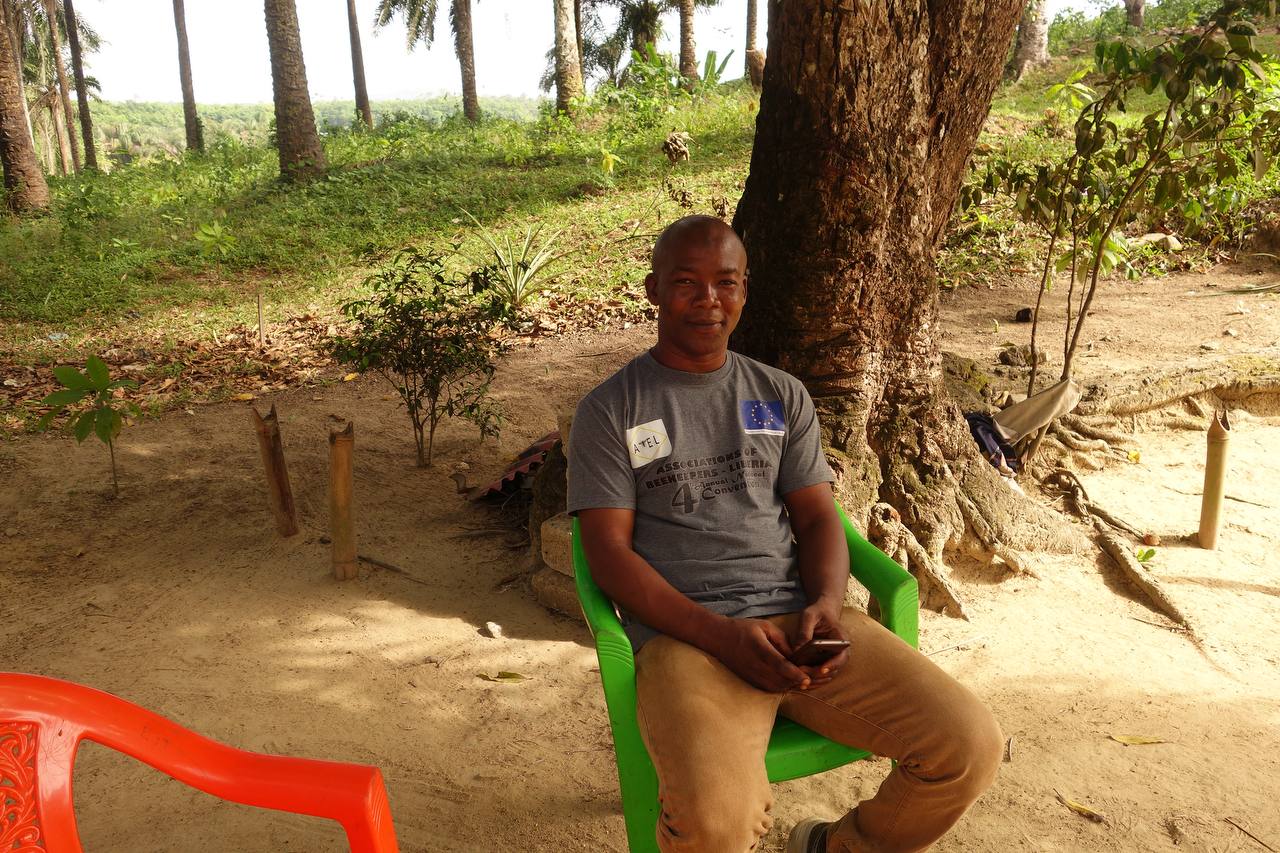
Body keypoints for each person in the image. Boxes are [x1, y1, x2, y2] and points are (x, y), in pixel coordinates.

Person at [567, 215, 1003, 853]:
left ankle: (836, 847)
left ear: (745, 290)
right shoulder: (611, 410)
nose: (708, 300)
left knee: (968, 745)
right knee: (714, 827)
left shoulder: (780, 395)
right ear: (653, 289)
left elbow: (820, 517)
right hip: (687, 643)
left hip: (801, 626)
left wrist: (825, 609)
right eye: (686, 282)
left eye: (726, 282)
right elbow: (607, 554)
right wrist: (721, 636)